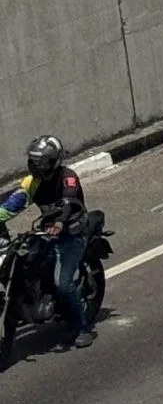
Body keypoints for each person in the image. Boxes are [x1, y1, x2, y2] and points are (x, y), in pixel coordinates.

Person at [2, 138, 95, 351]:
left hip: (72, 233)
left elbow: (70, 202)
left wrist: (61, 222)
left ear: (54, 161)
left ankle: (82, 327)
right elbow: (12, 205)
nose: (38, 166)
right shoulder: (31, 182)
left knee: (64, 284)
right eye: (34, 161)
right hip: (46, 231)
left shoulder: (67, 177)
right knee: (22, 263)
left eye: (43, 162)